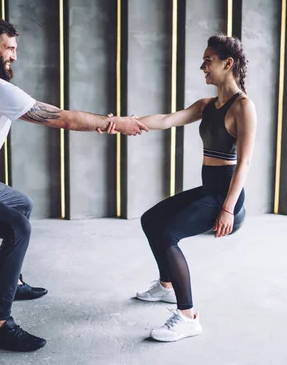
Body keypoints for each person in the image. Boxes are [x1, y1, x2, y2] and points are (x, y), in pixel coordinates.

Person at [0, 15, 147, 353]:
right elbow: (60, 117)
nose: (14, 55)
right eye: (9, 48)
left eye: (14, 48)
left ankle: (15, 281)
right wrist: (115, 123)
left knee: (20, 204)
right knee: (18, 229)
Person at [102, 34, 257, 342]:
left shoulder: (243, 107)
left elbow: (245, 163)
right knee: (151, 220)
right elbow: (166, 119)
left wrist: (227, 208)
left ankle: (187, 316)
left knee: (168, 233)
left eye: (208, 60)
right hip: (209, 190)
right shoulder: (207, 105)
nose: (203, 66)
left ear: (228, 64)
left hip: (227, 198)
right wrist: (123, 122)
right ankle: (166, 286)